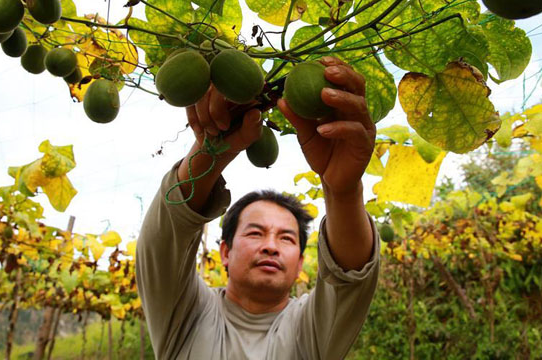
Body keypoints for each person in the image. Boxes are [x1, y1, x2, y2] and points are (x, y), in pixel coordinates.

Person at [136, 56, 380, 360]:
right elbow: (163, 241)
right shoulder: (185, 315)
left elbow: (350, 276)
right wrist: (209, 151)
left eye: (287, 238)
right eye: (255, 233)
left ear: (301, 263)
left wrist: (343, 193)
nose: (270, 247)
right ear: (225, 251)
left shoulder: (310, 328)